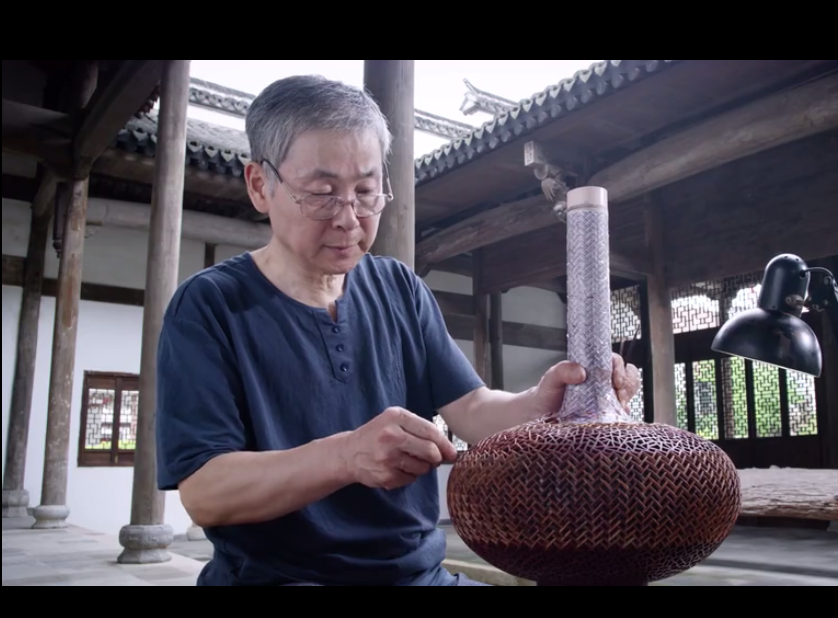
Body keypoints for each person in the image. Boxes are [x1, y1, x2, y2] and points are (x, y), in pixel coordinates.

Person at [155, 74, 642, 586]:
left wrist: (543, 404)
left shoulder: (398, 289)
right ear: (260, 185)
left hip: (417, 576)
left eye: (366, 192)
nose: (349, 219)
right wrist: (345, 456)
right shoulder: (210, 306)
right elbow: (204, 492)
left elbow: (473, 409)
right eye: (322, 194)